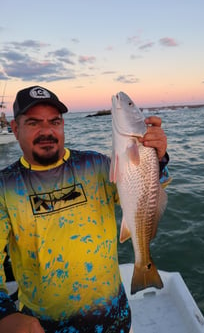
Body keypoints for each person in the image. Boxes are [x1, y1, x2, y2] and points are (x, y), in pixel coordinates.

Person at [0, 86, 169, 333]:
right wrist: (4, 314)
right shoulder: (5, 187)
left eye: (54, 121)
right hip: (45, 326)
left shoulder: (96, 164)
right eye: (34, 122)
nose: (46, 131)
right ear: (15, 129)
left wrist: (158, 157)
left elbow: (144, 194)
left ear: (63, 125)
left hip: (116, 317)